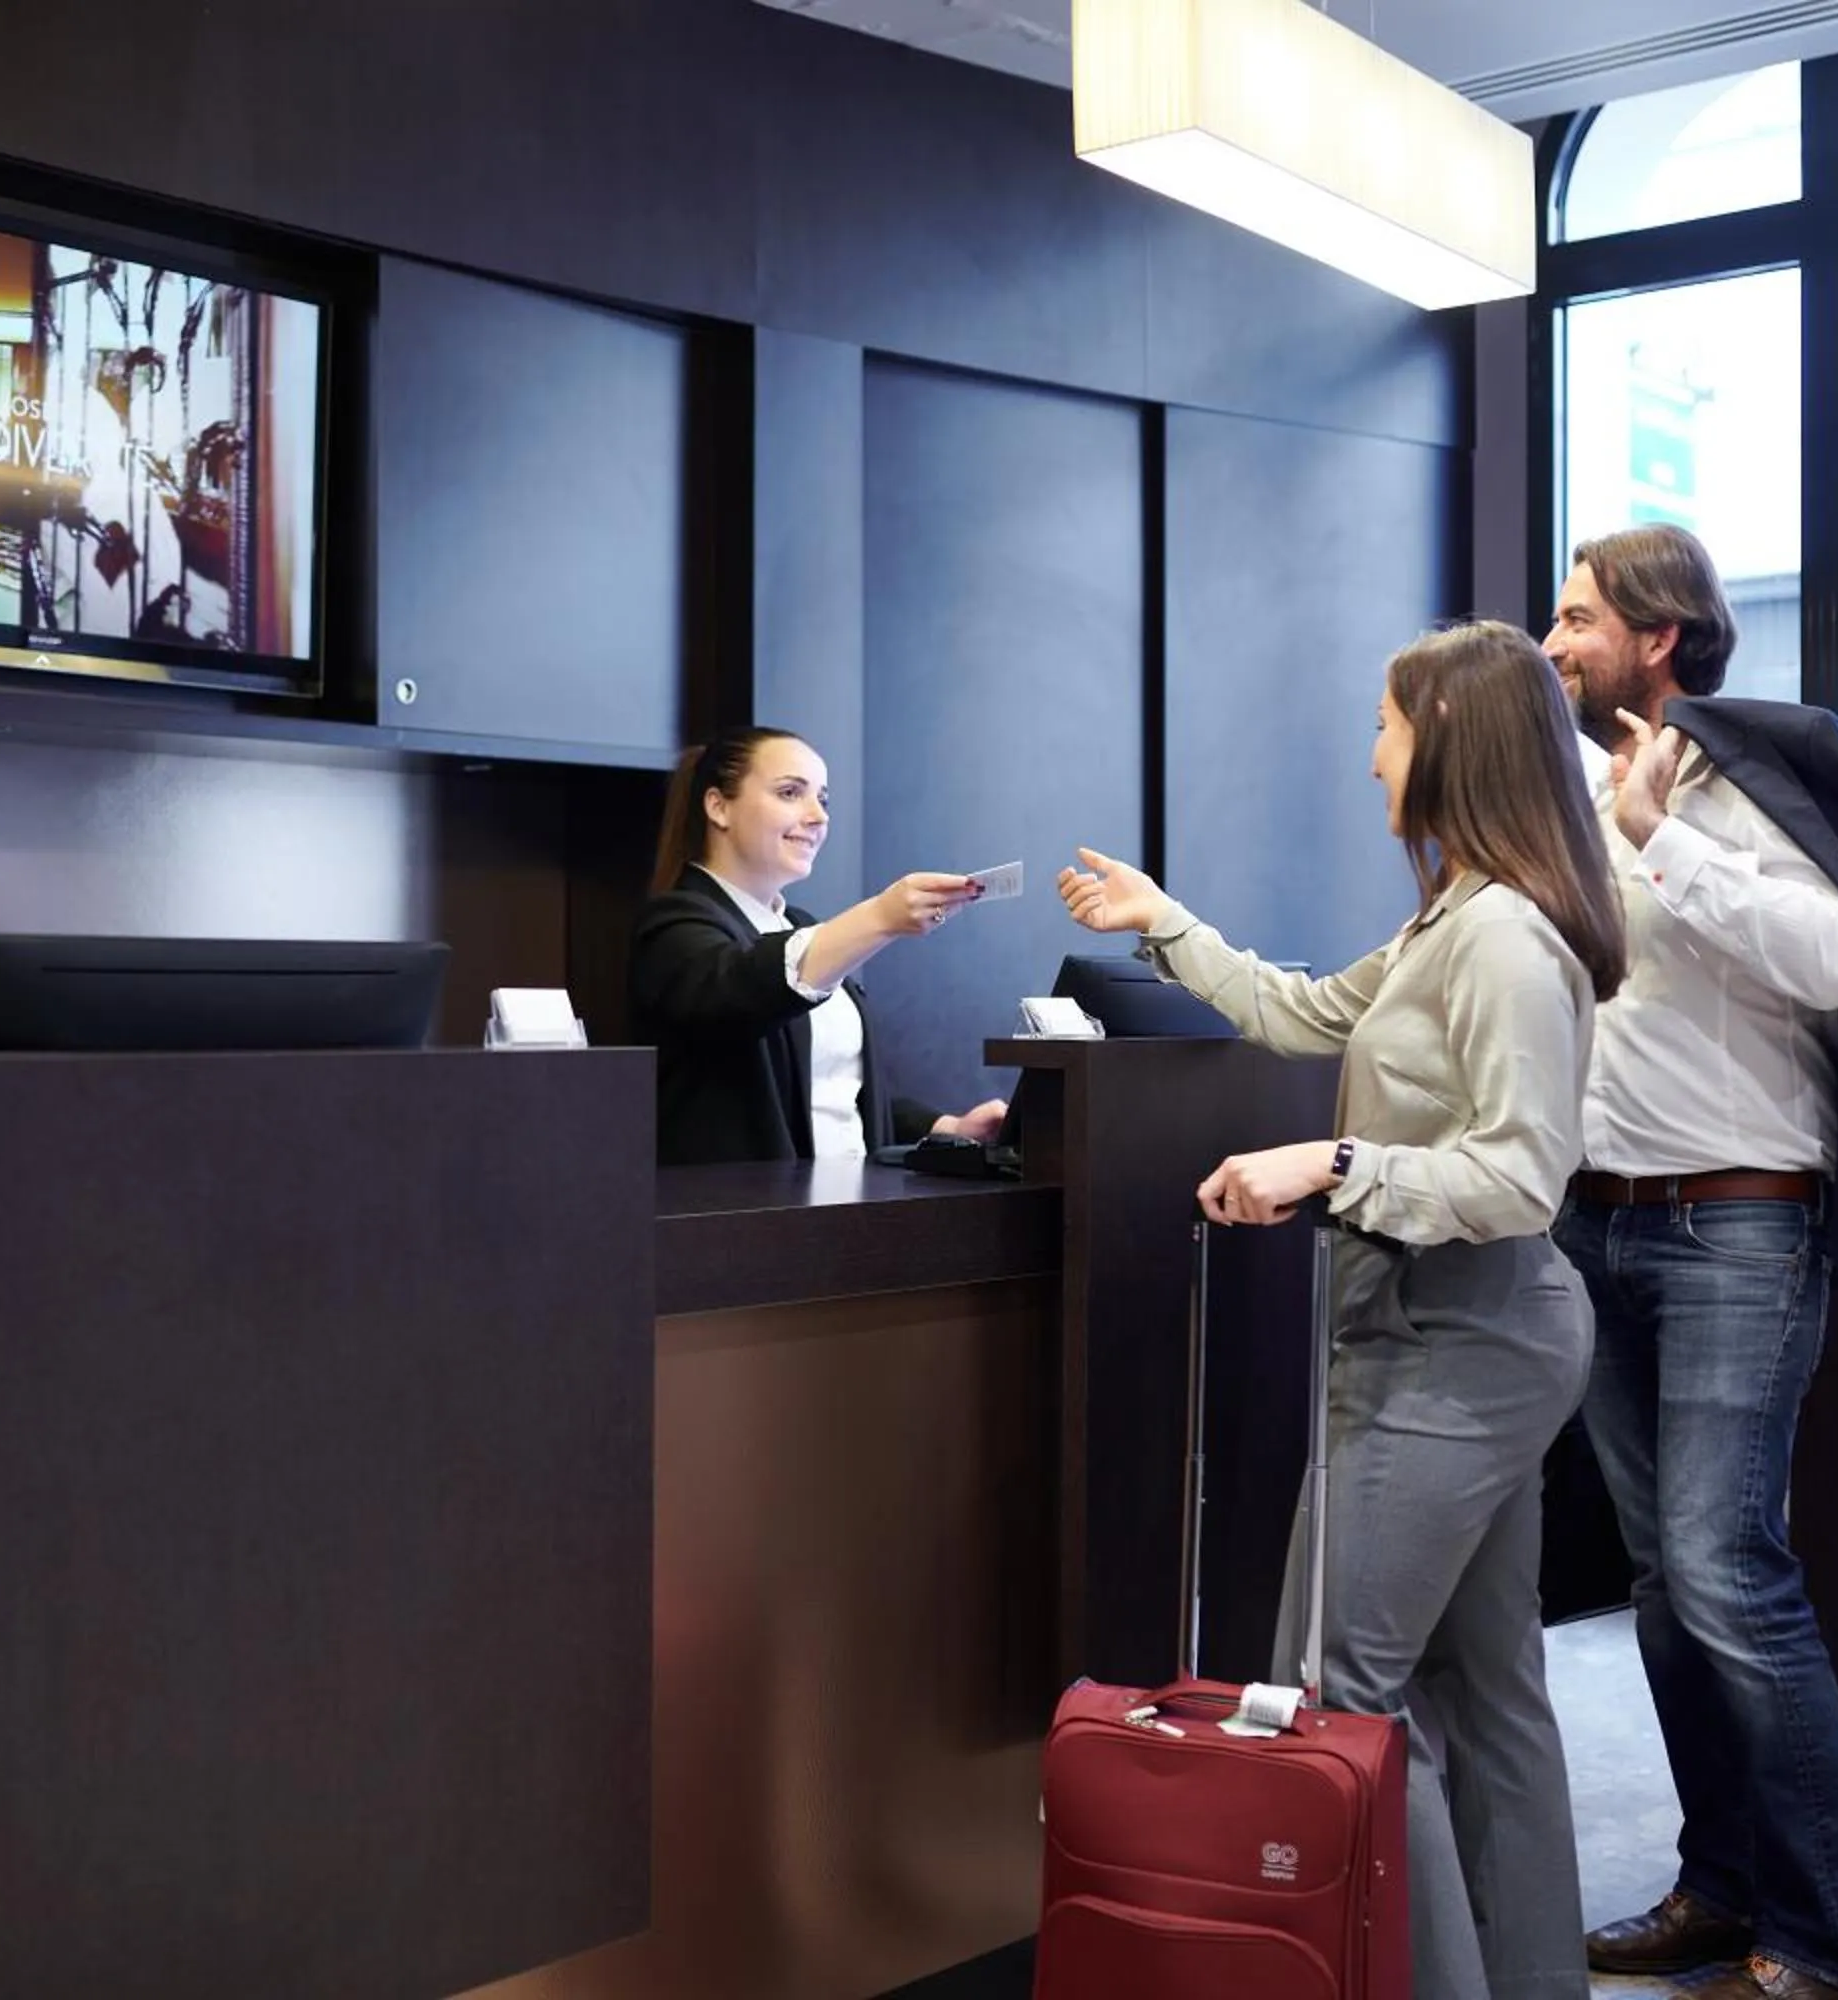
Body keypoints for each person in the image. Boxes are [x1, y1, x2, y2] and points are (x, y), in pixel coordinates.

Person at [1059, 620, 1625, 2000]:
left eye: (1384, 723)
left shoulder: (1500, 937)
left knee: (1346, 1703)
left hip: (1458, 1342)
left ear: (1447, 737)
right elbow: (1309, 1012)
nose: (1369, 753)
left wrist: (1334, 1164)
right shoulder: (1457, 918)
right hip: (1462, 1336)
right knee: (1485, 1704)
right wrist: (1168, 927)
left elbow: (1519, 1173)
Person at [1542, 526, 1838, 2000]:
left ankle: (1833, 1938)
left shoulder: (1744, 783)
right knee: (1666, 1588)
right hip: (1600, 1223)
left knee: (1729, 1574)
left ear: (1659, 635)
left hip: (1740, 1223)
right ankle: (1722, 1887)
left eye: (1578, 616)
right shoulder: (1581, 797)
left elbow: (1835, 958)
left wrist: (1665, 836)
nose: (1554, 643)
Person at [628, 726, 1010, 1167]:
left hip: (846, 1208)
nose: (818, 817)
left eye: (823, 800)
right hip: (740, 1216)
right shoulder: (673, 925)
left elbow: (836, 1093)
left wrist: (948, 1128)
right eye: (791, 793)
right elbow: (741, 987)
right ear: (718, 806)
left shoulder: (801, 926)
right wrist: (879, 917)